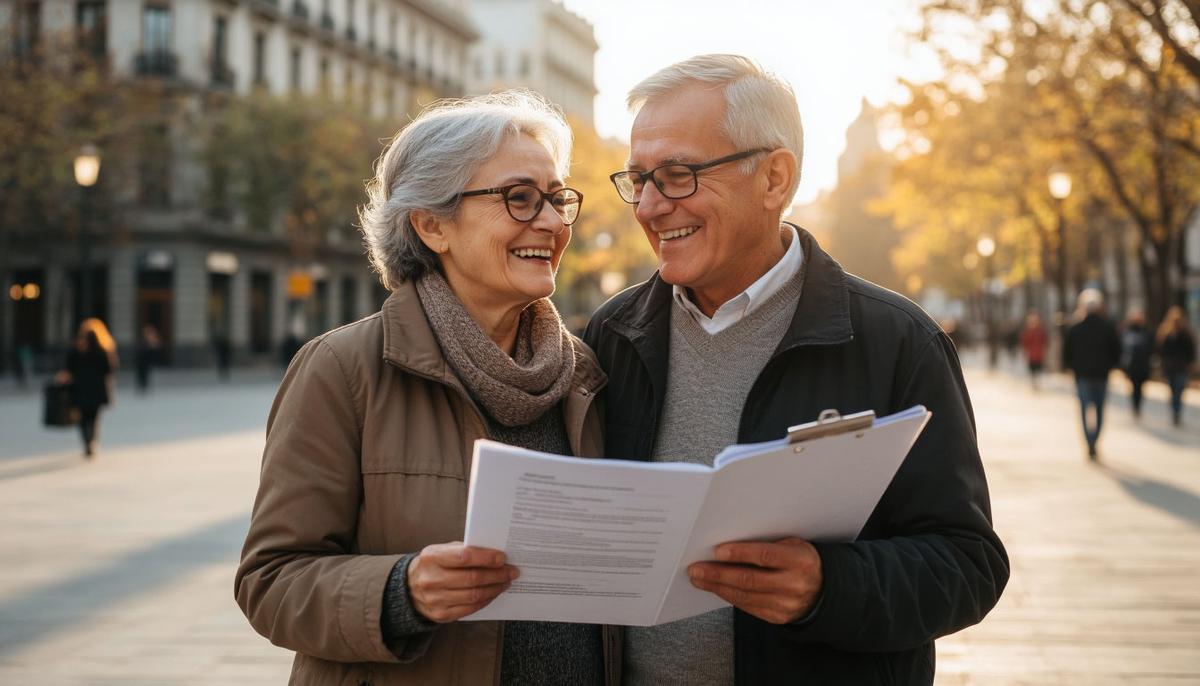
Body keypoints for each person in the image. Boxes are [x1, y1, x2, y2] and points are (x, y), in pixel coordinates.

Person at [584, 54, 1008, 685]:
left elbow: (968, 565)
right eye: (638, 179)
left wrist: (827, 588)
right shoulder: (609, 335)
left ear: (774, 178)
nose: (647, 207)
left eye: (676, 174)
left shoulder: (899, 341)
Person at [235, 91, 608, 685]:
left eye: (559, 198)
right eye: (519, 198)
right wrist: (400, 590)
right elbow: (270, 582)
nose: (554, 221)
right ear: (432, 225)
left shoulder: (585, 375)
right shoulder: (341, 369)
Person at [1062, 289, 1121, 459]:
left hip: (1082, 376)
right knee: (1100, 409)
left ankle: (1089, 441)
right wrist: (1111, 365)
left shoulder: (1075, 328)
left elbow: (1067, 352)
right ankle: (1094, 440)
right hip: (1102, 375)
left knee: (1083, 409)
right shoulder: (1108, 327)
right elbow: (1117, 350)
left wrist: (1072, 367)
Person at [56, 318, 118, 457]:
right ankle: (91, 440)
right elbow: (110, 368)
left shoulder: (78, 350)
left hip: (80, 389)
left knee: (83, 417)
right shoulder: (103, 349)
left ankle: (87, 441)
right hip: (97, 390)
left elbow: (68, 369)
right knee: (94, 417)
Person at [1157, 306, 1196, 426]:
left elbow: (1190, 350)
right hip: (1171, 367)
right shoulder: (1166, 333)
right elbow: (1161, 350)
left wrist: (1189, 362)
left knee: (1178, 391)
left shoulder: (1185, 334)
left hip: (1181, 367)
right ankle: (1175, 411)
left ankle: (1177, 412)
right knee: (1173, 391)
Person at [1119, 309, 1153, 418]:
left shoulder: (1146, 332)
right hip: (1132, 365)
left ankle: (1137, 406)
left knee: (1140, 387)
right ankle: (1135, 406)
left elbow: (1151, 348)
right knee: (1134, 387)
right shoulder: (1127, 331)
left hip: (1143, 365)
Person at [1019, 310, 1049, 390]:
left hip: (1039, 354)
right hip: (1031, 354)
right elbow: (1024, 342)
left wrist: (1044, 350)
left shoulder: (1041, 331)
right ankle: (1034, 382)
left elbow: (1045, 341)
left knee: (1038, 369)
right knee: (1032, 369)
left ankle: (1037, 382)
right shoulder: (1027, 331)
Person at [134, 324, 162, 392]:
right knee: (142, 372)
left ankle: (144, 384)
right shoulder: (144, 339)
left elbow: (156, 347)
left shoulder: (151, 338)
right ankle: (142, 384)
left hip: (146, 359)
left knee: (145, 372)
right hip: (143, 359)